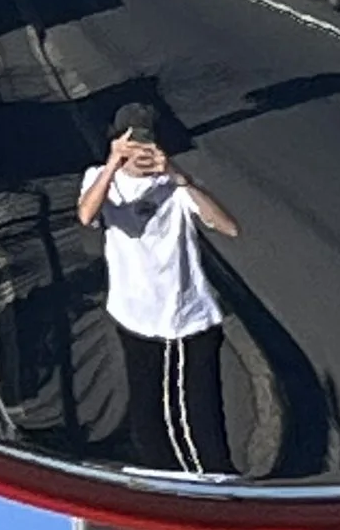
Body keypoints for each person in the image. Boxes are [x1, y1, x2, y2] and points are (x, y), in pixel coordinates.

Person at [77, 99, 239, 472]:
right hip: (134, 317)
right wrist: (111, 165)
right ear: (117, 142)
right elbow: (87, 214)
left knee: (200, 421)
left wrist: (179, 177)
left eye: (147, 144)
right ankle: (161, 487)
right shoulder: (99, 179)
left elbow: (228, 227)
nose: (141, 155)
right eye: (132, 144)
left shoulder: (176, 186)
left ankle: (218, 490)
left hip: (187, 320)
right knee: (146, 417)